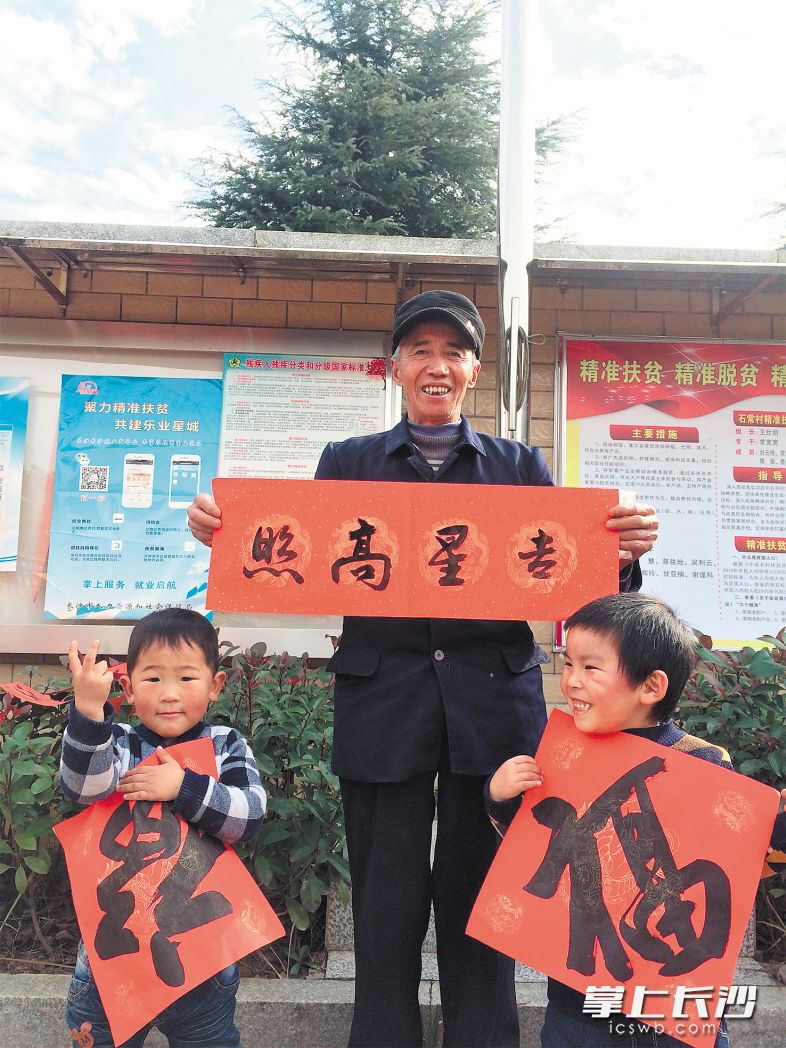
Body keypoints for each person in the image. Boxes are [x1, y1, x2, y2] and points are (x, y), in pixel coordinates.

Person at [187, 290, 660, 1048]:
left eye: (454, 352)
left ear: (473, 370)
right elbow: (301, 556)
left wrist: (622, 556)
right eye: (420, 351)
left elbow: (570, 581)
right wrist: (229, 533)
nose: (437, 365)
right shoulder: (348, 461)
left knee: (487, 895)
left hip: (493, 706)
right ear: (397, 367)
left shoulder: (519, 465)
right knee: (385, 896)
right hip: (383, 699)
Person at [487, 592, 786, 1048]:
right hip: (579, 992)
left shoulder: (703, 762)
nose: (571, 681)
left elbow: (744, 856)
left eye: (591, 667)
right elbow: (526, 842)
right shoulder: (563, 756)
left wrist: (777, 825)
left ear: (651, 687)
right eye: (568, 664)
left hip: (673, 997)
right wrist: (499, 794)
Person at [59, 607, 267, 1048]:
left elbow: (249, 816)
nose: (169, 694)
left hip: (202, 959)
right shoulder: (120, 743)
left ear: (215, 686)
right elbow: (83, 787)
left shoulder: (225, 745)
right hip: (110, 962)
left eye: (187, 678)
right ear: (129, 688)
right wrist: (88, 711)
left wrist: (184, 787)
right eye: (153, 678)